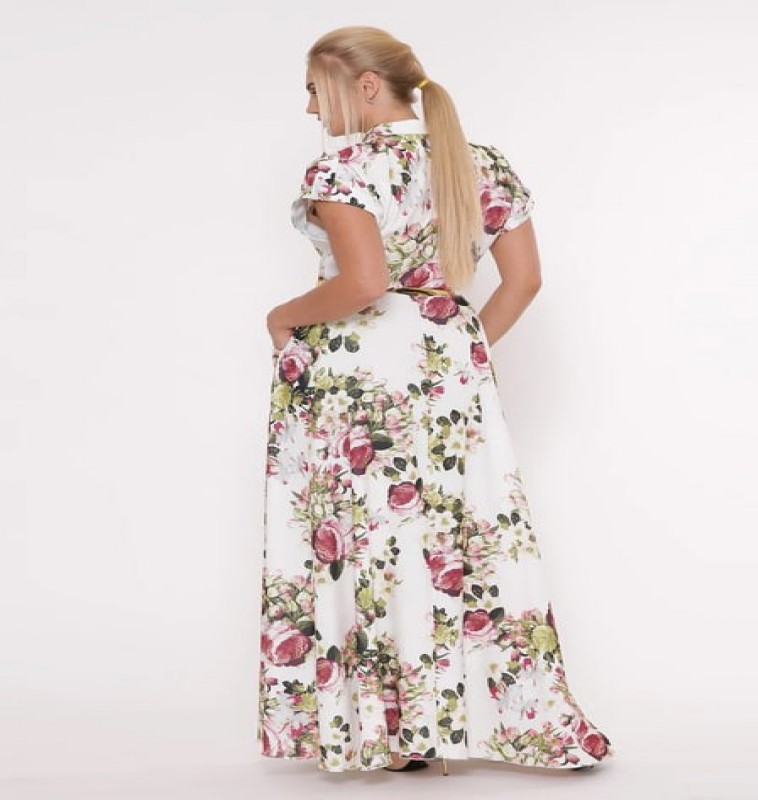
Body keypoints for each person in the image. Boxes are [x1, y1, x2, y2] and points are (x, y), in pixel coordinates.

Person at [258, 25, 615, 776]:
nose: (310, 108)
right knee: (456, 535)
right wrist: (459, 350)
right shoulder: (480, 162)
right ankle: (457, 723)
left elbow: (363, 284)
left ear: (364, 86)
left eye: (315, 89)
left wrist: (282, 315)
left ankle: (393, 732)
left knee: (374, 543)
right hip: (449, 370)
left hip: (360, 381)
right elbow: (524, 280)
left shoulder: (343, 168)